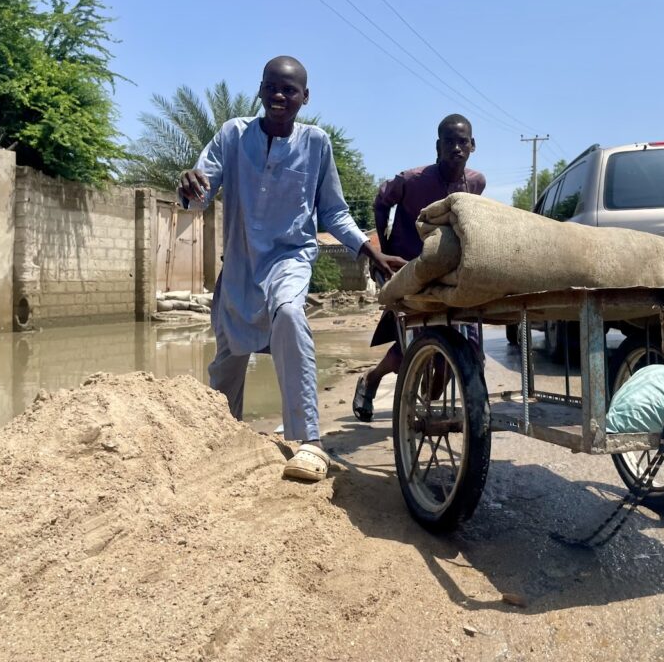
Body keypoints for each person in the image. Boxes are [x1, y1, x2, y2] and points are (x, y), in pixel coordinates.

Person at [178, 55, 404, 482]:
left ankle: (309, 442)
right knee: (228, 357)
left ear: (305, 97)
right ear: (261, 90)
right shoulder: (232, 135)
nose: (280, 96)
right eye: (272, 88)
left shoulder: (316, 143)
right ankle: (223, 434)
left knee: (289, 313)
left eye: (290, 90)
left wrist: (368, 251)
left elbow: (333, 213)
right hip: (241, 263)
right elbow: (199, 193)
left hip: (291, 257)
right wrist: (187, 185)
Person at [351, 114, 486, 421]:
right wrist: (383, 251)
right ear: (438, 147)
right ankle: (371, 379)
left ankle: (438, 395)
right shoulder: (412, 180)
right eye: (448, 142)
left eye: (462, 141)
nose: (456, 148)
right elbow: (380, 201)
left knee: (468, 345)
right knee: (410, 345)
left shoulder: (476, 182)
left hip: (449, 270)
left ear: (472, 145)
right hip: (408, 267)